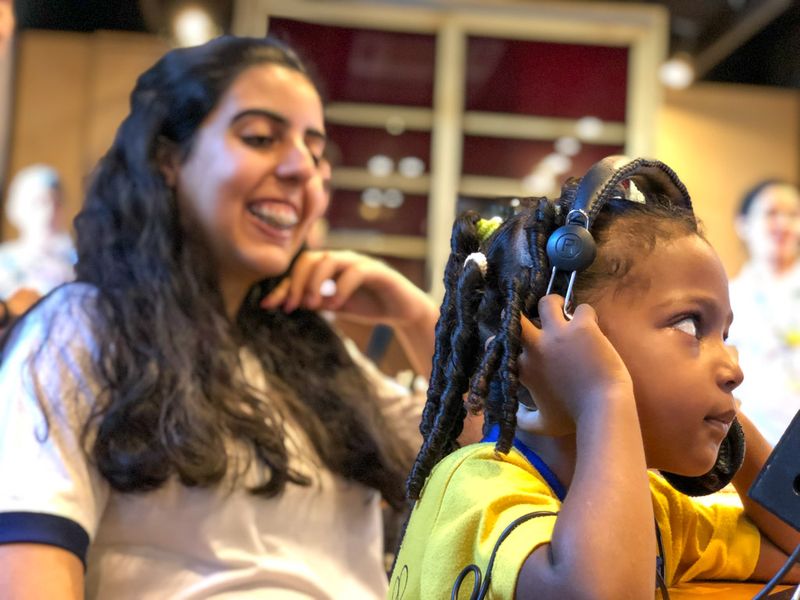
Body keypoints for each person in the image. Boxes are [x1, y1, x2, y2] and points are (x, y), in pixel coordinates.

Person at [0, 35, 438, 599]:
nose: (302, 170)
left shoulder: (316, 353)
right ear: (168, 159)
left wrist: (416, 316)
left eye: (315, 151)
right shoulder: (83, 331)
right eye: (260, 138)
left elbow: (490, 461)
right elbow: (28, 573)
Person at [389, 157, 800, 599]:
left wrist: (727, 418)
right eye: (689, 326)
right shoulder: (477, 488)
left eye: (725, 335)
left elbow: (792, 548)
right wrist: (602, 395)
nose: (734, 369)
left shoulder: (650, 510)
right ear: (555, 336)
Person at [728, 180, 800, 447]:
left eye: (793, 214)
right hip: (752, 444)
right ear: (743, 224)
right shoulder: (728, 296)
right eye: (771, 213)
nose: (783, 224)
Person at [0, 164, 76, 297]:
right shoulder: (4, 262)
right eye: (39, 202)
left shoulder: (76, 261)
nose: (49, 212)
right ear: (15, 208)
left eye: (57, 203)